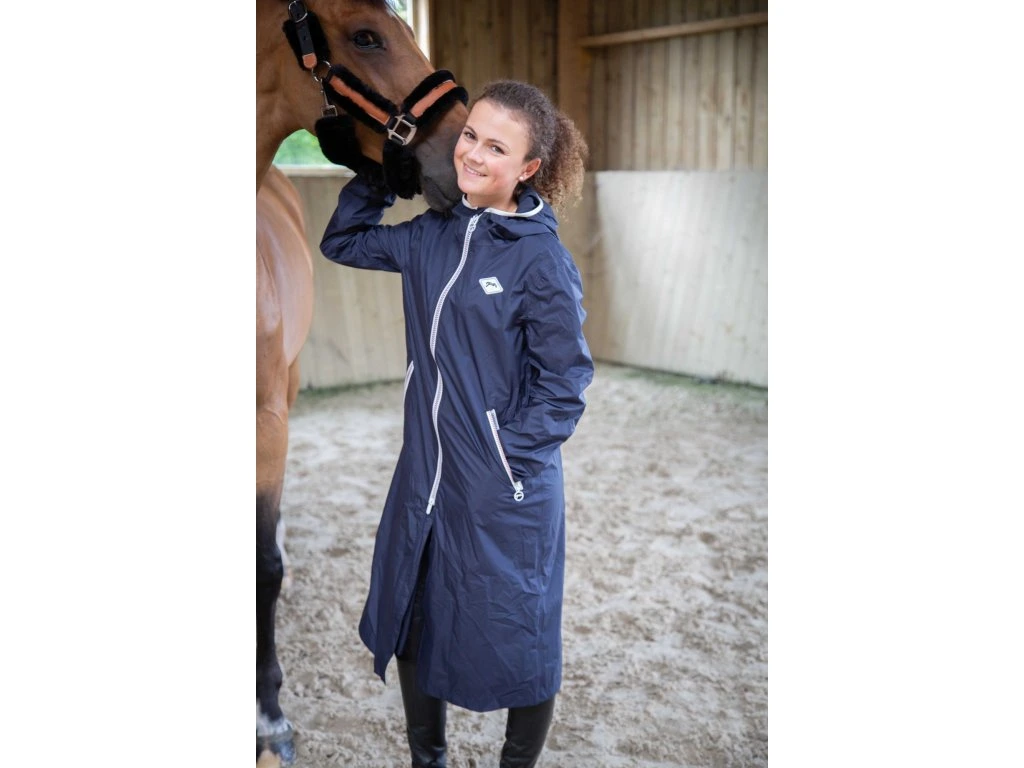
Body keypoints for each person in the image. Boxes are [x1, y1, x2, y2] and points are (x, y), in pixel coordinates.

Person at [320, 80, 594, 768]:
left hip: (503, 488)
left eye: (497, 147)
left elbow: (565, 382)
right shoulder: (429, 236)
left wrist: (506, 457)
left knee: (521, 636)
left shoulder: (539, 260)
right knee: (414, 617)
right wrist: (379, 173)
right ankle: (429, 760)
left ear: (528, 168)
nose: (472, 154)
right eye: (471, 135)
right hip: (426, 478)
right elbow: (343, 241)